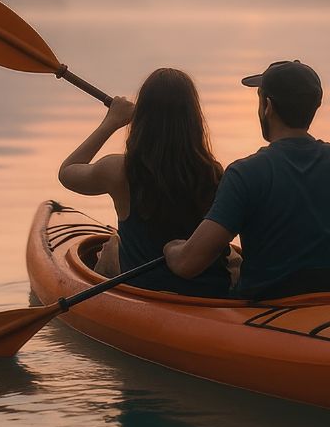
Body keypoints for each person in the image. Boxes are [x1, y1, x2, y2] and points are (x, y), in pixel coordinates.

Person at [163, 59, 330, 298]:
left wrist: (172, 248)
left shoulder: (245, 173)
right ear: (315, 106)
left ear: (268, 107)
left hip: (273, 304)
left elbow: (188, 264)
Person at [58, 67, 233, 297]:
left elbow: (67, 172)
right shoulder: (214, 172)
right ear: (193, 119)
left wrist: (111, 122)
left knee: (110, 249)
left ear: (142, 118)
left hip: (144, 291)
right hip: (209, 291)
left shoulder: (118, 170)